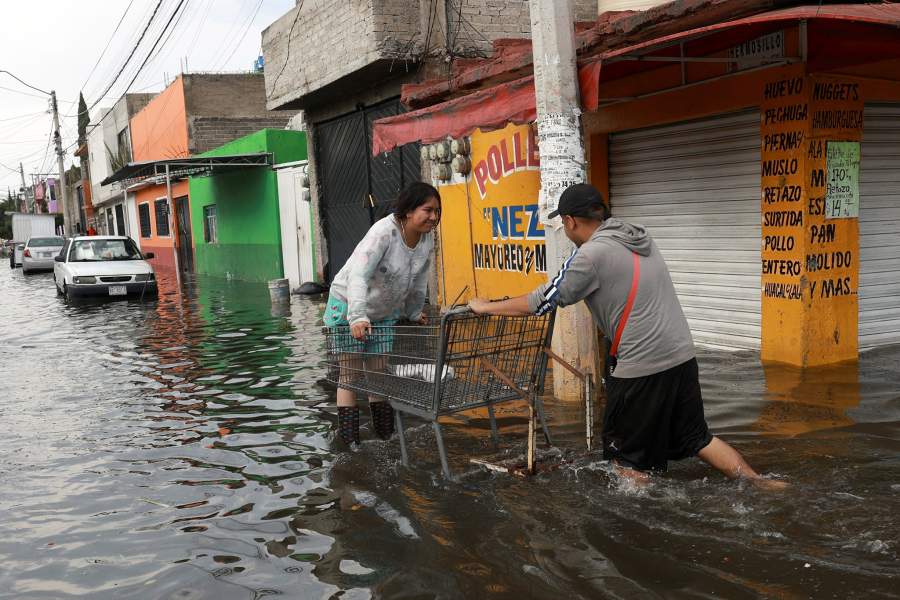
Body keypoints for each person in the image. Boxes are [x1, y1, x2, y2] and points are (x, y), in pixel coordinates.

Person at [468, 183, 786, 490]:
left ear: (570, 221)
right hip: (682, 357)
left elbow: (543, 300)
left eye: (563, 224)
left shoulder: (590, 255)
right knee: (697, 438)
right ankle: (762, 484)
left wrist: (488, 307)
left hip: (641, 367)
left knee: (625, 460)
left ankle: (644, 522)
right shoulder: (639, 238)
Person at [325, 182, 441, 447]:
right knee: (351, 376)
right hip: (349, 305)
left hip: (383, 310)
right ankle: (350, 444)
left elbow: (419, 278)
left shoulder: (425, 239)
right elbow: (358, 274)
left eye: (437, 211)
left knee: (378, 374)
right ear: (409, 210)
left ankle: (384, 439)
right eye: (428, 210)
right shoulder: (384, 232)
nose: (434, 217)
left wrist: (413, 312)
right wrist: (356, 316)